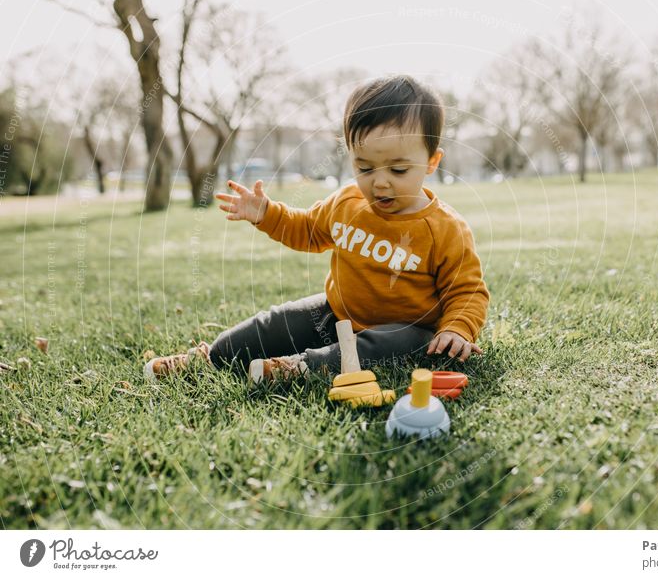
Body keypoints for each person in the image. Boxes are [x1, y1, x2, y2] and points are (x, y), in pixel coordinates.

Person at [144, 75, 490, 384]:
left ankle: (297, 368)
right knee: (271, 323)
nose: (380, 182)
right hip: (334, 313)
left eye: (398, 170)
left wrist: (457, 328)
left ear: (432, 162)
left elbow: (467, 291)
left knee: (401, 343)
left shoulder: (445, 229)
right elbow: (307, 229)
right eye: (364, 167)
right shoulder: (347, 203)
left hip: (407, 329)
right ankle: (211, 357)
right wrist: (266, 213)